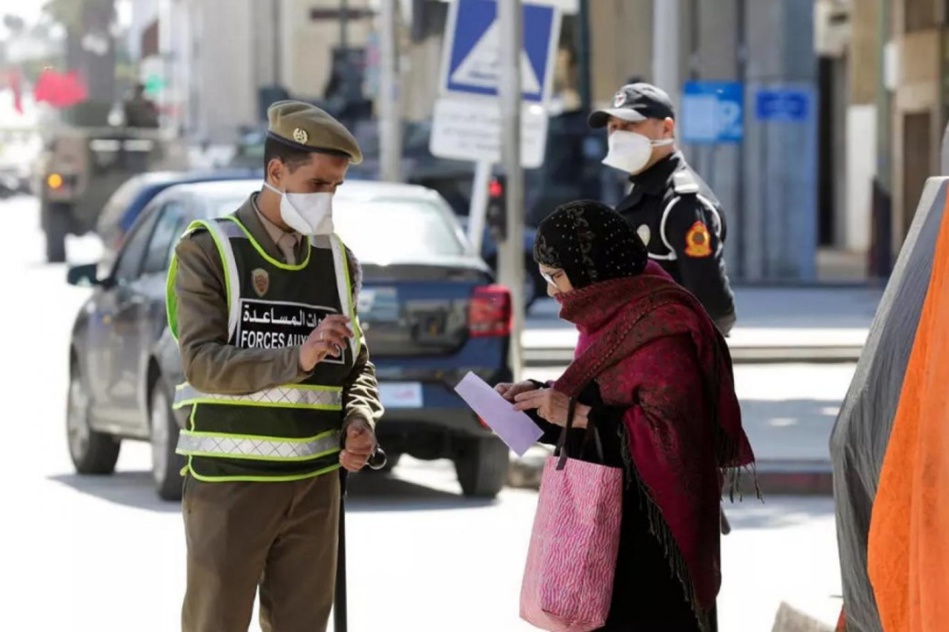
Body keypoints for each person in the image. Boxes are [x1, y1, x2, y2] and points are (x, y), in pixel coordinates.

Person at [166, 100, 384, 632]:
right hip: (230, 485)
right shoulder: (208, 250)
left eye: (336, 188)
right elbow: (202, 363)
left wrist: (360, 418)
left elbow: (357, 364)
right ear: (276, 172)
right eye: (316, 185)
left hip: (315, 485)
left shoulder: (339, 261)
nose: (327, 199)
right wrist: (298, 357)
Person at [496, 200, 756, 631]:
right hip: (605, 534)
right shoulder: (609, 315)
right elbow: (600, 402)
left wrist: (577, 414)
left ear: (591, 269)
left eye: (555, 276)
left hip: (655, 545)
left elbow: (672, 436)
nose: (550, 290)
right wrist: (536, 399)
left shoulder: (662, 325)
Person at [589, 82, 737, 335]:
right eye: (613, 127)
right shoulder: (642, 193)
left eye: (629, 125)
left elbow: (714, 306)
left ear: (666, 128)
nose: (618, 135)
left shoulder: (681, 203)